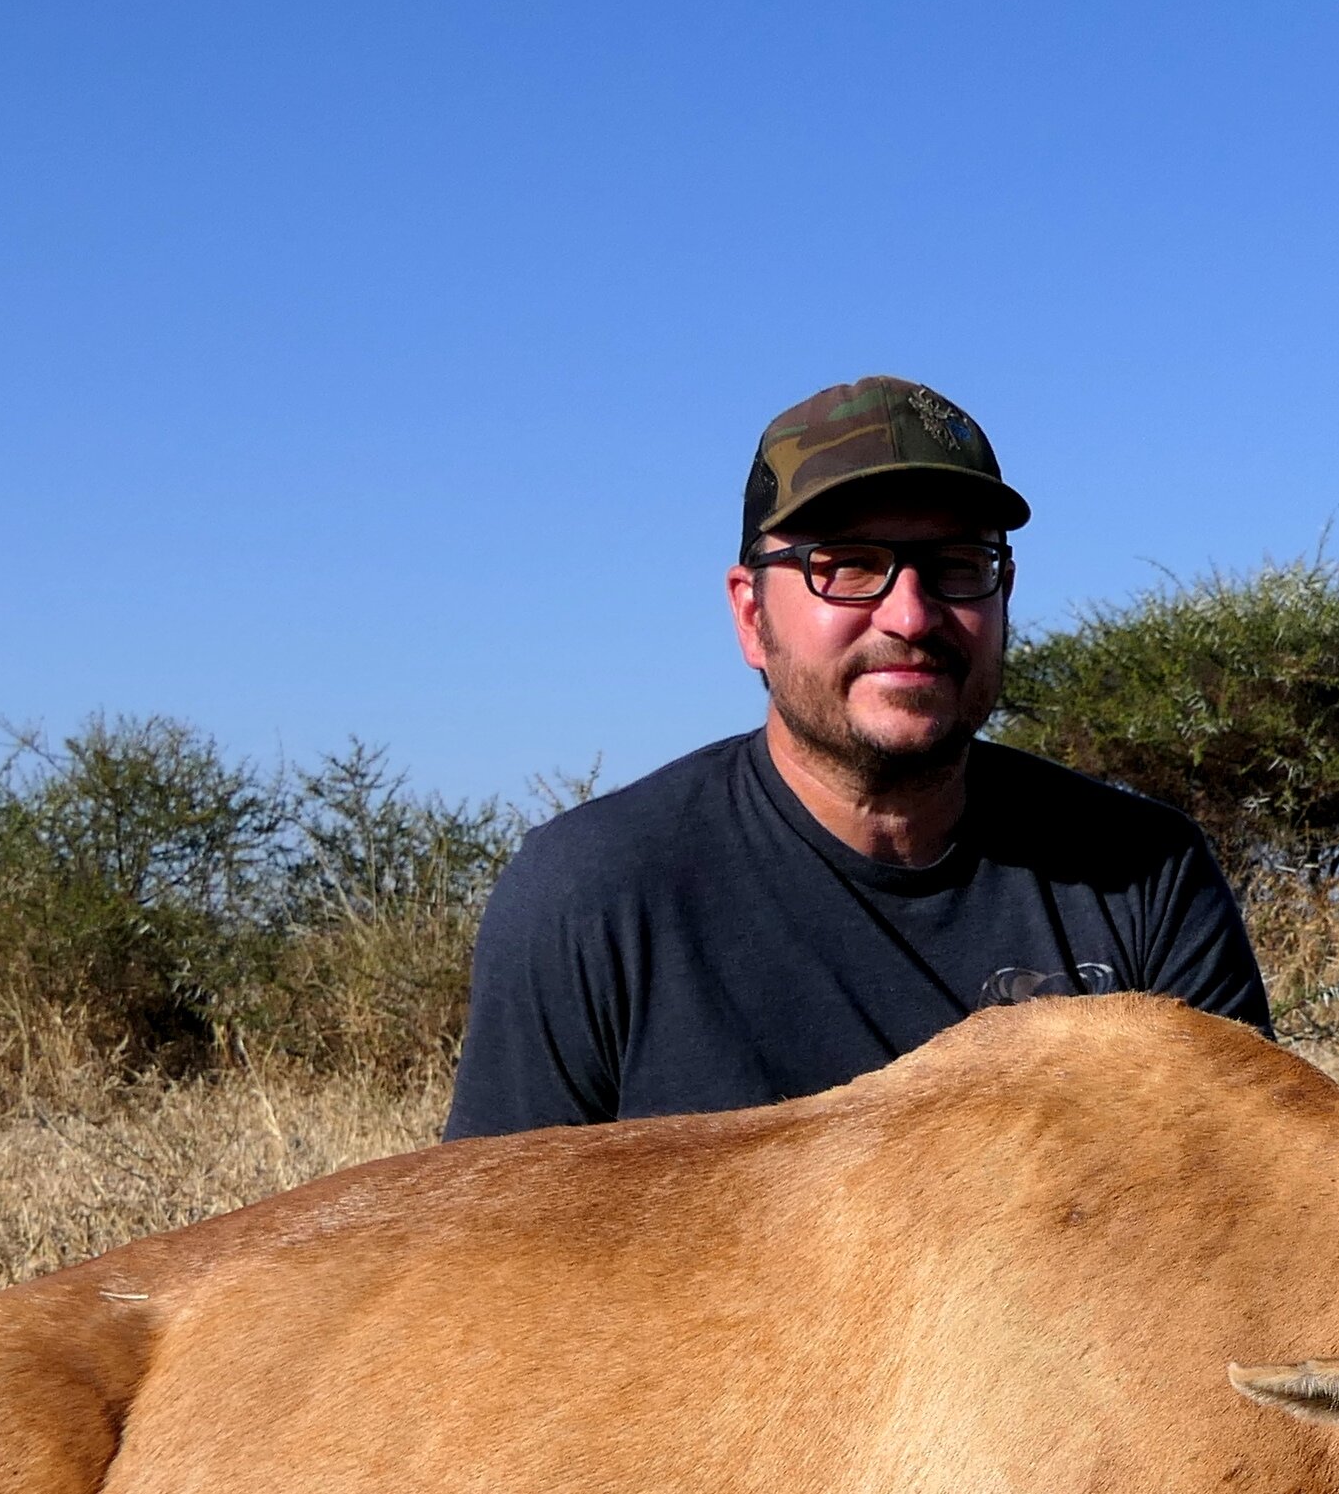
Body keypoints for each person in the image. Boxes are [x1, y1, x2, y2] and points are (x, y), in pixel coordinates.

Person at [443, 376, 1272, 1137]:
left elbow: (1249, 1226)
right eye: (846, 566)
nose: (911, 616)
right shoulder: (593, 895)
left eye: (957, 565)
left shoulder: (1145, 874)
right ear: (749, 614)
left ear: (1005, 595)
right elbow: (497, 1261)